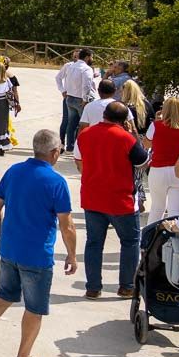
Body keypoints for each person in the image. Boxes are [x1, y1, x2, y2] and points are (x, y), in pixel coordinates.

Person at [0, 129, 76, 357]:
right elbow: (66, 226)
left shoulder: (14, 170)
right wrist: (72, 255)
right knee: (34, 309)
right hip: (37, 256)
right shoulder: (57, 182)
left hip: (9, 249)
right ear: (54, 152)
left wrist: (1, 235)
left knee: (3, 296)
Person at [74, 101, 148, 299]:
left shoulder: (85, 135)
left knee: (94, 243)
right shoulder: (126, 138)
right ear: (124, 120)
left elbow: (78, 160)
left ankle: (93, 287)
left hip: (92, 197)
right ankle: (126, 286)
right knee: (130, 241)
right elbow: (142, 161)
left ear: (104, 115)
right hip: (120, 199)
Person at [144, 98, 179, 222]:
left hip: (158, 170)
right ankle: (175, 241)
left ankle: (150, 239)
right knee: (175, 210)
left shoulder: (156, 126)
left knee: (157, 208)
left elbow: (146, 144)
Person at [60, 48, 97, 153]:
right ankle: (81, 147)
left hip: (70, 97)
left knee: (71, 123)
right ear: (87, 57)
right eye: (91, 57)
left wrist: (63, 90)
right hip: (80, 99)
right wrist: (85, 99)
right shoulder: (86, 69)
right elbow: (86, 85)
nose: (92, 59)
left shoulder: (71, 66)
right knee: (84, 124)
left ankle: (70, 146)